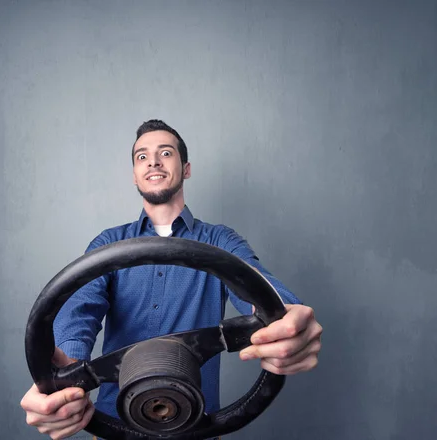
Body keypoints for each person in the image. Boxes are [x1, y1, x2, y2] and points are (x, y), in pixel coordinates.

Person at [20, 120, 323, 440]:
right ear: (134, 174)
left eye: (166, 152)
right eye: (141, 157)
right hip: (114, 427)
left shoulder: (220, 240)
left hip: (196, 426)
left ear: (186, 168)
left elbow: (257, 283)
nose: (153, 161)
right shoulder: (106, 244)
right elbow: (79, 308)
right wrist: (65, 374)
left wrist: (286, 318)